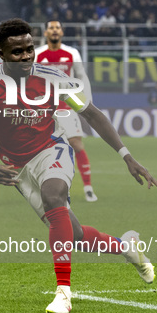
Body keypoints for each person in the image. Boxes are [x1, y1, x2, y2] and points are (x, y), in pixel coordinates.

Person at [0, 18, 157, 313]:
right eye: (17, 52)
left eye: (30, 49)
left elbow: (92, 114)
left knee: (54, 196)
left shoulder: (53, 77)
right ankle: (126, 246)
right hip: (16, 168)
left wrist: (127, 155)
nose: (27, 56)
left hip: (51, 149)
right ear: (2, 55)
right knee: (74, 235)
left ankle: (63, 294)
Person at [35, 20, 98, 202]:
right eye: (51, 28)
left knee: (77, 145)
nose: (54, 31)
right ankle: (46, 188)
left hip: (66, 106)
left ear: (61, 32)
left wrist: (87, 101)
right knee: (42, 151)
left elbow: (82, 76)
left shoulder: (72, 53)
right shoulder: (38, 54)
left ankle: (88, 188)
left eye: (57, 28)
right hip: (44, 108)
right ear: (45, 33)